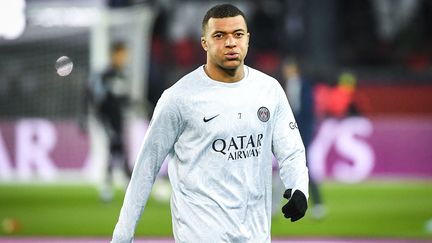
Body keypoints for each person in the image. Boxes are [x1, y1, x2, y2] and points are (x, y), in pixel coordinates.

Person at [111, 4, 309, 242]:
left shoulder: (268, 90)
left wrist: (299, 188)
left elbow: (291, 152)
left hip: (255, 236)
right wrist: (123, 235)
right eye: (219, 35)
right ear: (204, 42)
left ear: (247, 39)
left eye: (237, 34)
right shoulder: (178, 98)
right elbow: (145, 169)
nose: (230, 42)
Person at [281, 58, 326, 220]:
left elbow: (308, 111)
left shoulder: (304, 85)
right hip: (289, 133)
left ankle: (318, 204)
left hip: (302, 134)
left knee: (304, 167)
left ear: (294, 69)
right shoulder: (285, 85)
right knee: (284, 168)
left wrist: (303, 134)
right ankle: (274, 207)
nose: (285, 71)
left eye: (288, 67)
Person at [90, 41, 132, 202]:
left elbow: (123, 98)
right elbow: (97, 98)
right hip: (107, 119)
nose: (123, 58)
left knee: (118, 149)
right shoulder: (104, 75)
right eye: (121, 55)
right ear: (113, 55)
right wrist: (100, 118)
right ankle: (112, 184)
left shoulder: (123, 74)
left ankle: (113, 184)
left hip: (119, 118)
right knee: (115, 147)